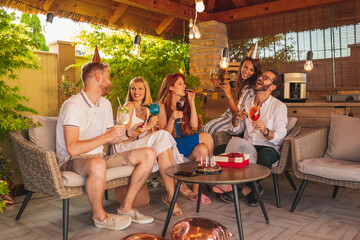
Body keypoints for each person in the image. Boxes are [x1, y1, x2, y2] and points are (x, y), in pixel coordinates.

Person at [56, 59, 156, 231]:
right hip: (72, 160)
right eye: (107, 78)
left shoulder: (106, 104)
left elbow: (111, 139)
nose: (110, 82)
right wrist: (106, 136)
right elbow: (73, 148)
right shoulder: (72, 105)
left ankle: (126, 207)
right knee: (97, 163)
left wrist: (129, 133)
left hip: (100, 157)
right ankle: (100, 216)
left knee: (148, 153)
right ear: (97, 78)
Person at [110, 77, 184, 216]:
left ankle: (171, 196)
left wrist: (150, 130)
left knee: (162, 143)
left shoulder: (148, 111)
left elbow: (147, 137)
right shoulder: (128, 106)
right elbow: (122, 136)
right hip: (123, 147)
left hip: (139, 146)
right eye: (133, 88)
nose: (136, 91)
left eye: (140, 88)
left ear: (145, 91)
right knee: (162, 136)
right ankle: (173, 194)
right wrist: (146, 129)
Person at [219, 70, 288, 207]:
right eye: (261, 76)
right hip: (247, 144)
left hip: (267, 146)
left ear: (272, 87)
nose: (260, 78)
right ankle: (238, 186)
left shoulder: (279, 107)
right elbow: (238, 130)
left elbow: (280, 137)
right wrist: (235, 120)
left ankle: (248, 189)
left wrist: (265, 130)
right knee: (218, 151)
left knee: (266, 157)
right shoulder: (248, 102)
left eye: (266, 78)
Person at [157, 73, 214, 204]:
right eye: (180, 83)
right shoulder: (161, 107)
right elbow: (162, 136)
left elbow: (194, 126)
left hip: (183, 144)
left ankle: (195, 192)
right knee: (207, 137)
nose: (184, 86)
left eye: (184, 83)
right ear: (170, 87)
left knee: (203, 149)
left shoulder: (182, 104)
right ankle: (211, 175)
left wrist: (192, 102)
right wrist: (171, 119)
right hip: (171, 146)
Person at [202, 46, 262, 139]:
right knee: (205, 129)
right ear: (241, 66)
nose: (246, 71)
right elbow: (239, 95)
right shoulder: (244, 83)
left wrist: (228, 95)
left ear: (255, 73)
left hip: (235, 122)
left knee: (207, 129)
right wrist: (221, 85)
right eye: (245, 67)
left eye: (251, 70)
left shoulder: (250, 89)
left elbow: (237, 113)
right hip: (228, 116)